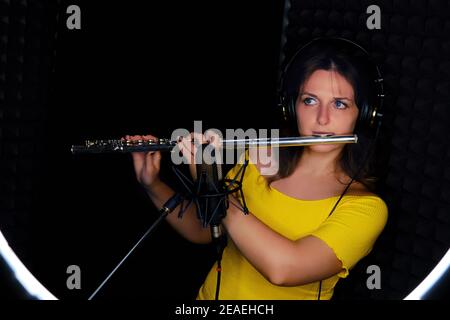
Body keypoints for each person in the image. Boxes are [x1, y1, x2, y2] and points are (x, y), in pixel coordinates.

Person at [126, 38, 388, 300]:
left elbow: (284, 269)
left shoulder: (365, 208)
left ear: (364, 115)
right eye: (309, 100)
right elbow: (206, 229)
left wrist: (211, 183)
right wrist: (153, 184)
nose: (322, 118)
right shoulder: (259, 160)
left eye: (339, 104)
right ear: (291, 106)